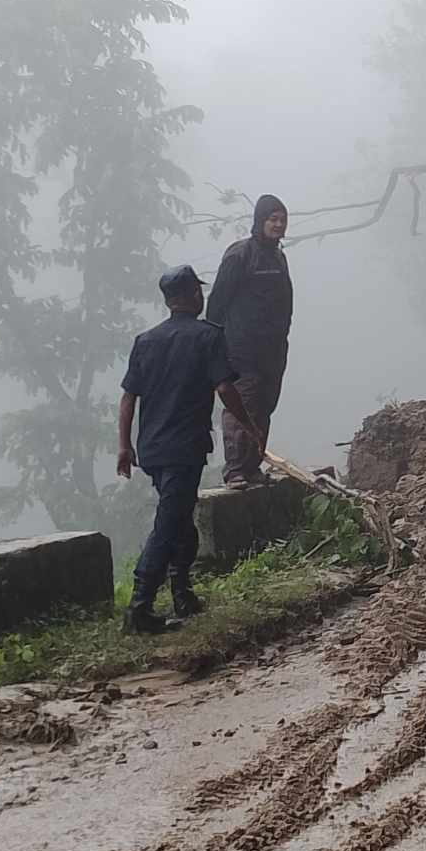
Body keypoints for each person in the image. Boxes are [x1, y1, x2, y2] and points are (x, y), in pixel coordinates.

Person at [117, 265, 265, 636]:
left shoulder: (145, 341)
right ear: (192, 296)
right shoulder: (207, 336)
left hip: (151, 448)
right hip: (184, 447)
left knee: (180, 519)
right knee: (169, 524)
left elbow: (128, 397)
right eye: (198, 292)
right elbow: (226, 389)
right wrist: (250, 427)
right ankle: (139, 607)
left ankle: (183, 595)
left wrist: (123, 446)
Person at [207, 193, 293, 485]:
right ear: (260, 221)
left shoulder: (279, 257)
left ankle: (253, 465)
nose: (278, 225)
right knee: (240, 405)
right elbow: (217, 301)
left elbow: (286, 301)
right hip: (240, 349)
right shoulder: (240, 254)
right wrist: (214, 342)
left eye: (282, 220)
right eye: (273, 219)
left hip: (273, 350)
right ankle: (234, 469)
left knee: (265, 405)